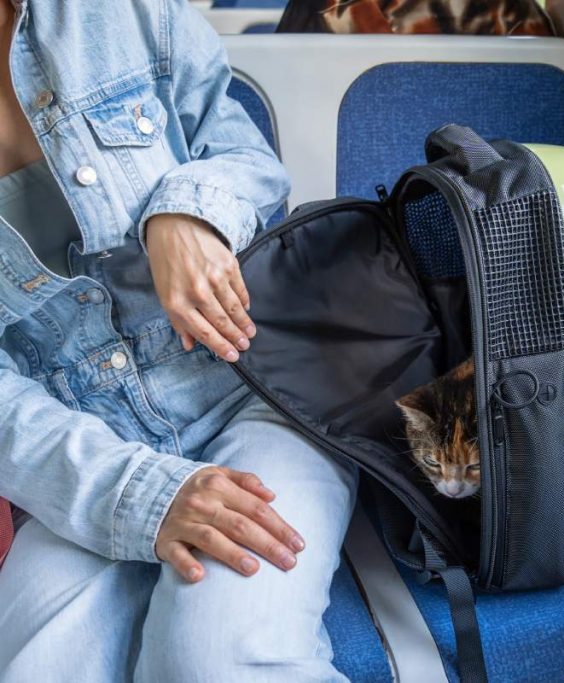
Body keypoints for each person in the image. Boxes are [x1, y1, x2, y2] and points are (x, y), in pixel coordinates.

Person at [0, 1, 357, 681]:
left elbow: (246, 159)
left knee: (211, 662)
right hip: (80, 451)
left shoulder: (125, 10)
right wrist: (140, 496)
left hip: (254, 391)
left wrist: (188, 210)